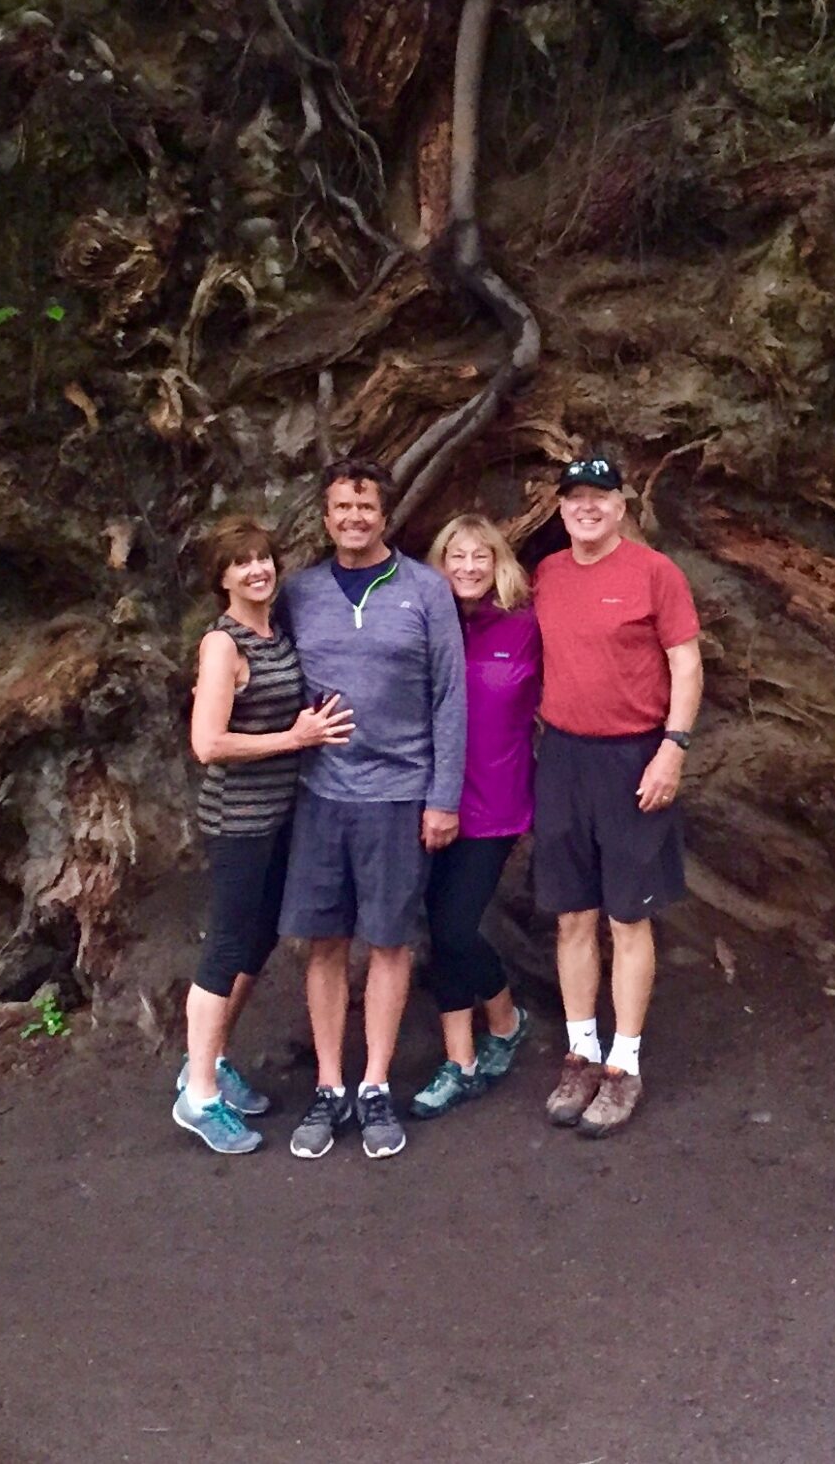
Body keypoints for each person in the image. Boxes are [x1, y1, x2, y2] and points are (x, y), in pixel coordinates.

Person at [274, 458, 466, 1160]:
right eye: (340, 508)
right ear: (325, 516)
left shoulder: (425, 590)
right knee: (324, 941)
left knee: (389, 941)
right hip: (321, 794)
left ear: (385, 515)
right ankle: (329, 1084)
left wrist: (443, 797)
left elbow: (450, 698)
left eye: (365, 507)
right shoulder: (299, 593)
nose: (353, 518)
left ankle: (376, 1084)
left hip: (399, 794)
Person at [532, 453, 703, 1139]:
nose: (586, 508)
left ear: (622, 504)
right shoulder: (546, 574)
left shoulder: (654, 573)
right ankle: (582, 1051)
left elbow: (685, 663)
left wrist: (673, 747)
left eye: (599, 496)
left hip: (635, 755)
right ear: (562, 508)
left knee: (628, 916)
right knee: (572, 914)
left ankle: (624, 1063)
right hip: (564, 756)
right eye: (574, 498)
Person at [172, 518, 354, 1156]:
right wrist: (293, 739)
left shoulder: (274, 631)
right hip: (238, 821)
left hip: (281, 816)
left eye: (264, 559)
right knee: (226, 948)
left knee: (258, 939)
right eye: (241, 563)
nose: (258, 570)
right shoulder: (223, 646)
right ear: (221, 578)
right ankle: (198, 1095)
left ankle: (212, 1059)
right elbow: (207, 743)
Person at [408, 513, 539, 1119]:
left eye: (479, 557)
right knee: (439, 930)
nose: (467, 568)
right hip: (426, 801)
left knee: (456, 927)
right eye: (455, 556)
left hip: (497, 802)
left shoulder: (526, 626)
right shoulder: (427, 630)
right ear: (439, 565)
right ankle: (459, 1061)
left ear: (498, 564)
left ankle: (507, 1021)